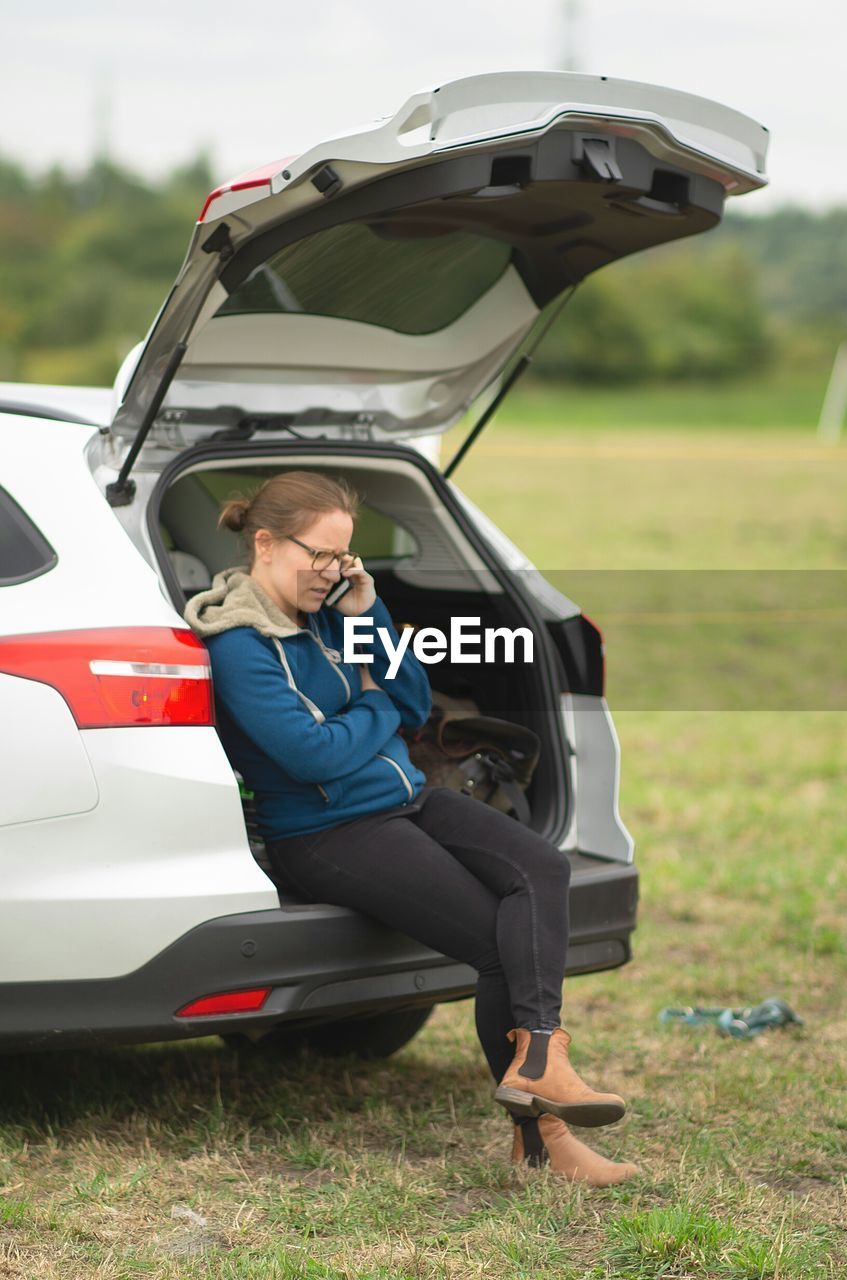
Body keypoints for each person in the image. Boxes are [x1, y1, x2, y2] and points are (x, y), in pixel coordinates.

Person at [184, 470, 640, 1186]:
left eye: (345, 558)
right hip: (327, 830)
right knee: (496, 940)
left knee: (542, 868)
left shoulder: (334, 612)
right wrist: (376, 712)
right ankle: (542, 1141)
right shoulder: (240, 644)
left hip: (404, 796)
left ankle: (542, 1056)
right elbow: (309, 755)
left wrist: (368, 612)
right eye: (320, 555)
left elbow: (414, 697)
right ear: (266, 544)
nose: (333, 572)